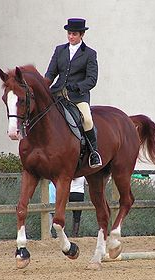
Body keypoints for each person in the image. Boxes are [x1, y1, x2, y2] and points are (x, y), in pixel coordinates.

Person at [45, 18, 102, 168]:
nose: (71, 37)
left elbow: (92, 79)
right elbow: (51, 73)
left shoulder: (90, 54)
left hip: (78, 97)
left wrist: (77, 87)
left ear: (82, 34)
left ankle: (94, 152)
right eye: (69, 33)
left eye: (74, 34)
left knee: (88, 120)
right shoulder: (59, 50)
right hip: (57, 94)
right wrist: (43, 87)